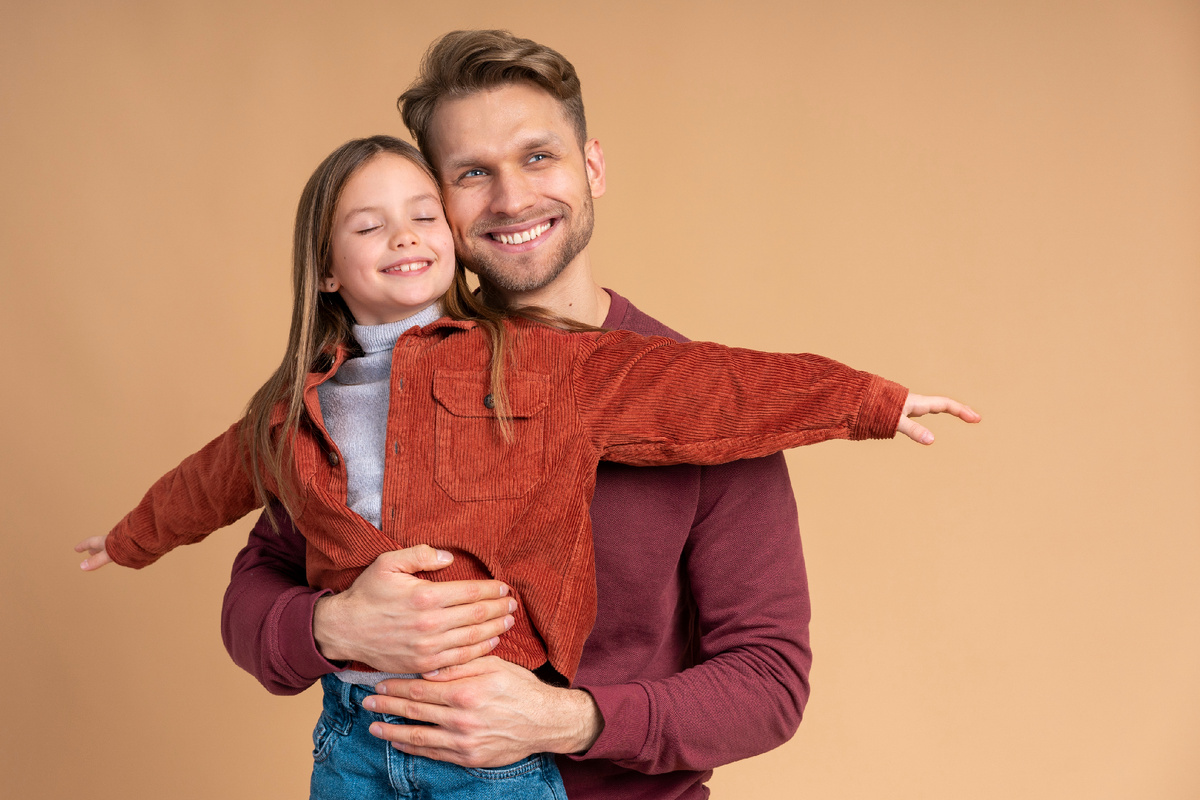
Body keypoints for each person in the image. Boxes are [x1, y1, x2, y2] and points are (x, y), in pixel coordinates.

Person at [212, 31, 980, 800]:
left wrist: (565, 720)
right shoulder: (377, 388)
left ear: (593, 167)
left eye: (539, 156)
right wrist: (333, 627)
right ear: (435, 204)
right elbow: (259, 587)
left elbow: (769, 683)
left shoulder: (700, 397)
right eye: (473, 173)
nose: (512, 198)